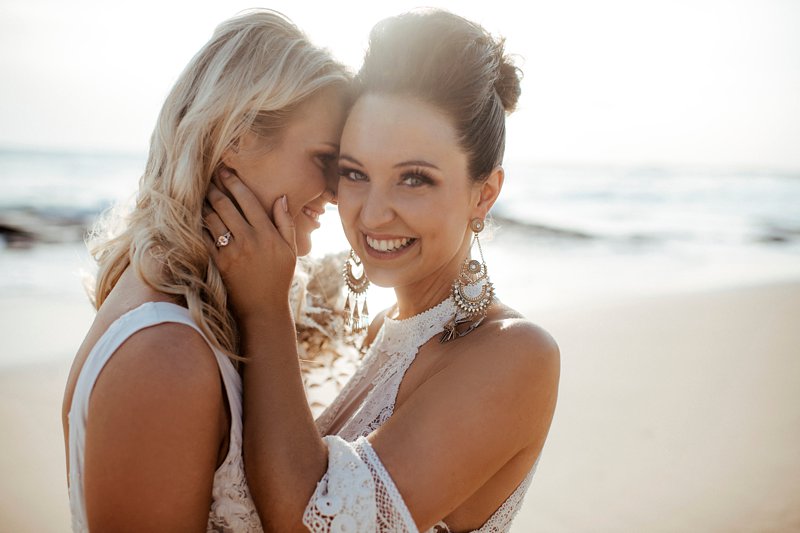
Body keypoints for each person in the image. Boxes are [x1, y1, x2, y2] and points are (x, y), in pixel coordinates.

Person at [205, 9, 560, 532]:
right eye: (354, 173)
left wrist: (265, 309)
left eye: (414, 179)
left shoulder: (516, 355)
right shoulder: (379, 331)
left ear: (483, 195)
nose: (371, 215)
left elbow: (307, 522)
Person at [61, 9, 349, 531]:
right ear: (236, 136)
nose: (335, 190)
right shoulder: (164, 354)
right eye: (324, 159)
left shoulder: (187, 312)